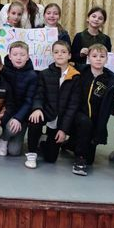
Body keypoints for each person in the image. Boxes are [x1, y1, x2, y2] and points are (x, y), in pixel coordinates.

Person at [27, 41, 81, 169]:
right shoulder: (44, 73)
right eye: (56, 52)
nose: (60, 54)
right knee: (34, 119)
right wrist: (37, 108)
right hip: (46, 112)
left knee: (51, 159)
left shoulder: (76, 76)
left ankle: (44, 142)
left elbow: (72, 105)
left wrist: (63, 129)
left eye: (63, 52)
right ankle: (31, 154)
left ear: (69, 55)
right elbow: (38, 95)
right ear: (52, 55)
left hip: (60, 118)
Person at [71, 44, 114, 174]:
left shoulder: (111, 80)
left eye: (102, 56)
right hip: (77, 115)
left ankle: (71, 144)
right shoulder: (80, 71)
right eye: (94, 56)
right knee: (84, 123)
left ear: (107, 59)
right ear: (88, 58)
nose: (98, 59)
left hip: (96, 119)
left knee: (90, 160)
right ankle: (79, 160)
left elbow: (113, 101)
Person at [0, 41, 37, 157]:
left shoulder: (32, 75)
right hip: (5, 111)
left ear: (27, 57)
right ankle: (3, 140)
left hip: (21, 114)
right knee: (9, 127)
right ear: (9, 56)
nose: (18, 58)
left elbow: (29, 101)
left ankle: (6, 136)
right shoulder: (3, 70)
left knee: (14, 151)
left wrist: (18, 118)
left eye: (22, 55)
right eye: (15, 54)